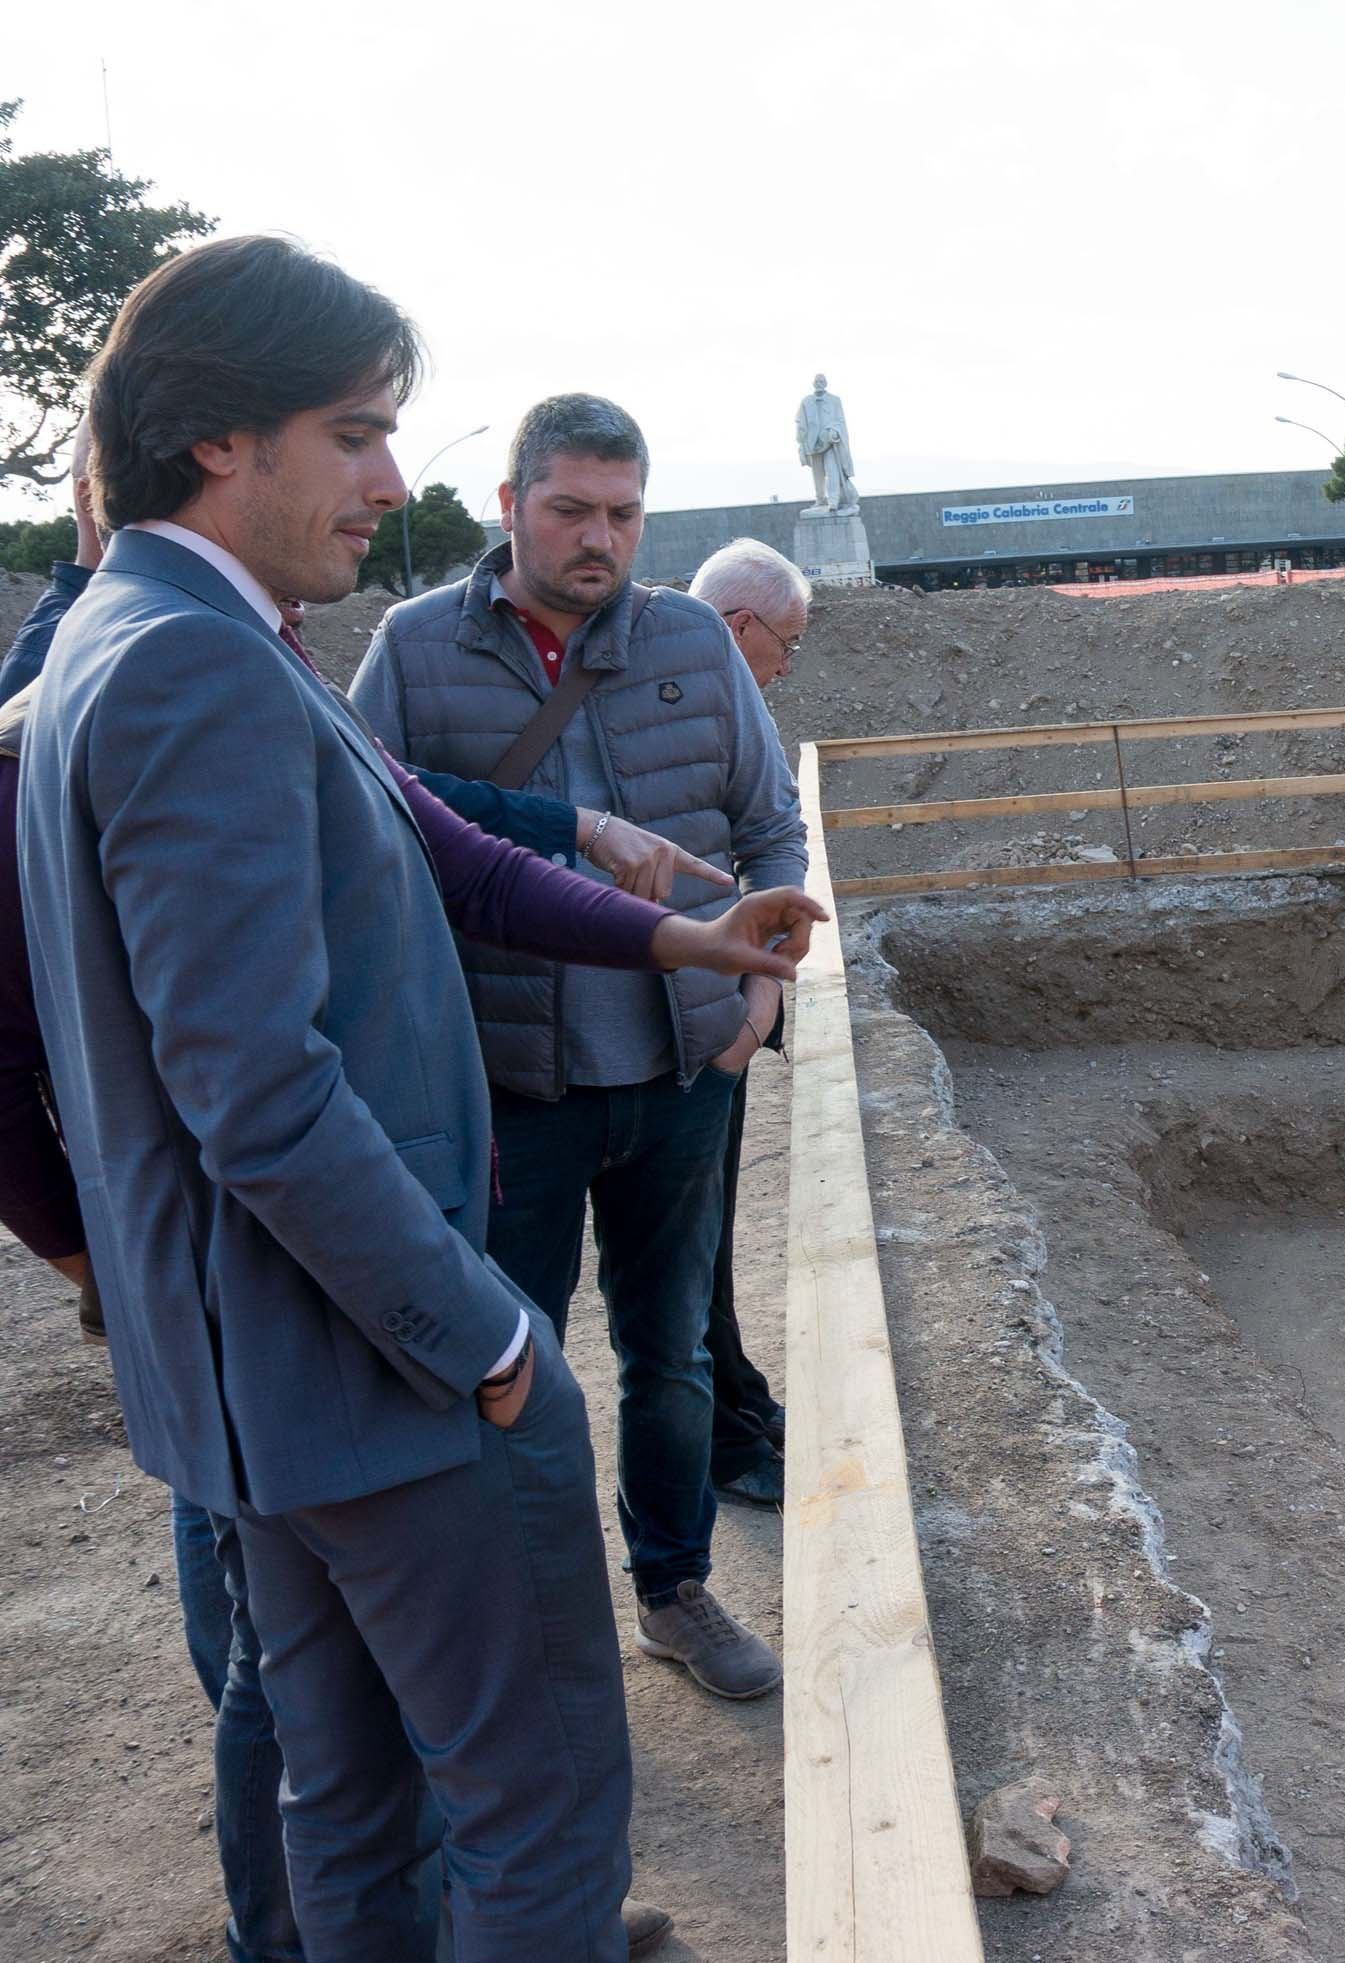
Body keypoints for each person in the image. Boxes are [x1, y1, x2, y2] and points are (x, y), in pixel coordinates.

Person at [19, 235, 823, 1961]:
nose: (394, 482)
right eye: (359, 432)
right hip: (370, 1371)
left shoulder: (139, 633)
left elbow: (450, 848)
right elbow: (252, 1089)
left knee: (353, 1800)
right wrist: (491, 1341)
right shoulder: (193, 667)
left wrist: (681, 935)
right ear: (221, 436)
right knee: (534, 1818)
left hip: (269, 1385)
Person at [354, 395, 807, 1704]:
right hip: (508, 1090)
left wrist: (763, 997)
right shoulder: (413, 646)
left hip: (680, 1076)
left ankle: (674, 1587)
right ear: (511, 507)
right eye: (571, 509)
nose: (599, 536)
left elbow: (772, 829)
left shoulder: (687, 640)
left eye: (623, 512)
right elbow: (366, 820)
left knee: (674, 1352)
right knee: (512, 1356)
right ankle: (521, 1617)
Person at [683, 536, 809, 1508]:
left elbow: (771, 833)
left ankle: (735, 1393)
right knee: (685, 1246)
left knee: (707, 1239)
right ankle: (721, 1434)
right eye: (787, 644)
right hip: (676, 1023)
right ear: (739, 627)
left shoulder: (706, 700)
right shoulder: (698, 703)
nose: (787, 664)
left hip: (709, 1012)